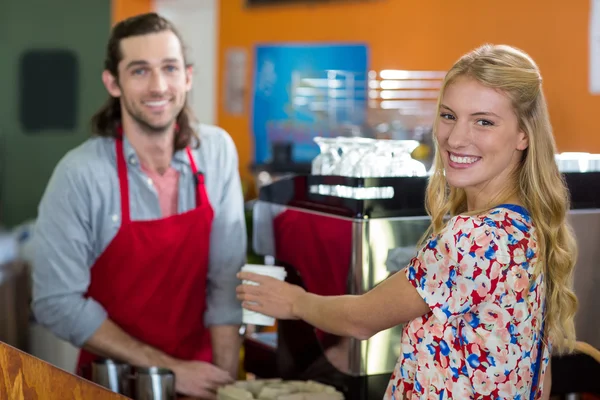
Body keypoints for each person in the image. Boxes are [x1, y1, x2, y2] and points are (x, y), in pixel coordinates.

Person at [237, 44, 579, 399]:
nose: (456, 138)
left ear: (524, 134)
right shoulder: (528, 226)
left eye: (484, 121)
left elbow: (360, 320)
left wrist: (294, 302)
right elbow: (541, 377)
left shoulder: (473, 237)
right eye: (449, 116)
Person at [31, 13, 246, 399]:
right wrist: (168, 370)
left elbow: (225, 279)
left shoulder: (216, 153)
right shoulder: (80, 175)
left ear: (188, 76)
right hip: (110, 381)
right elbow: (56, 302)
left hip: (203, 375)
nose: (159, 85)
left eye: (169, 68)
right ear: (113, 82)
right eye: (140, 71)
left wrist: (225, 384)